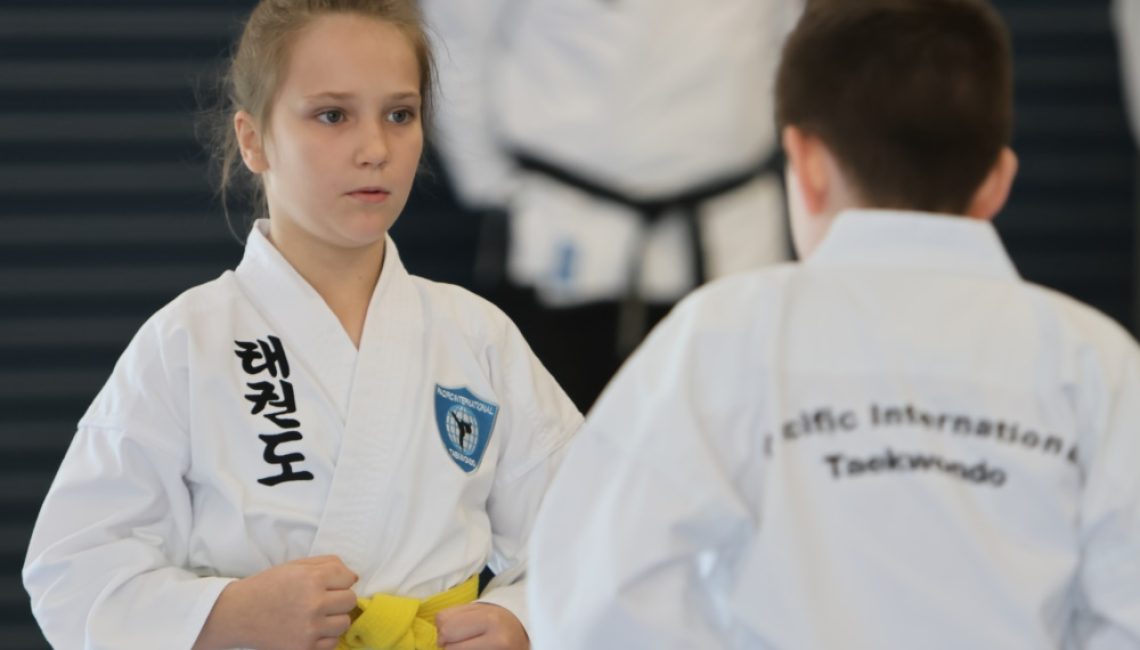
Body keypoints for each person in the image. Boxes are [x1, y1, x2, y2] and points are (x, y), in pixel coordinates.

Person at [526, 1, 1140, 647]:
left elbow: (597, 596)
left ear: (807, 162)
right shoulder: (1096, 362)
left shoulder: (723, 334)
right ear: (998, 179)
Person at [22, 2, 581, 649]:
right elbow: (71, 571)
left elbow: (592, 526)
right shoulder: (187, 342)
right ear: (253, 139)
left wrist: (521, 621)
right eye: (333, 115)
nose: (375, 149)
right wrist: (225, 616)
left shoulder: (477, 336)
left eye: (399, 114)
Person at [420, 0, 802, 410]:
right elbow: (455, 41)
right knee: (558, 432)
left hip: (731, 234)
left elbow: (793, 38)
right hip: (565, 232)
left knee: (738, 428)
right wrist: (491, 184)